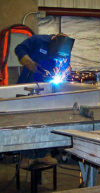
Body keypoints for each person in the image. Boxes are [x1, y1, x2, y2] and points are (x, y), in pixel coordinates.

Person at [14, 33, 75, 168]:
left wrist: (66, 72)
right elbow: (19, 48)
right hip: (27, 87)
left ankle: (43, 154)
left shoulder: (65, 49)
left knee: (44, 121)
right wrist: (27, 61)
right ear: (52, 43)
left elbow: (64, 67)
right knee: (27, 122)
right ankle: (26, 156)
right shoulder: (38, 40)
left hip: (47, 89)